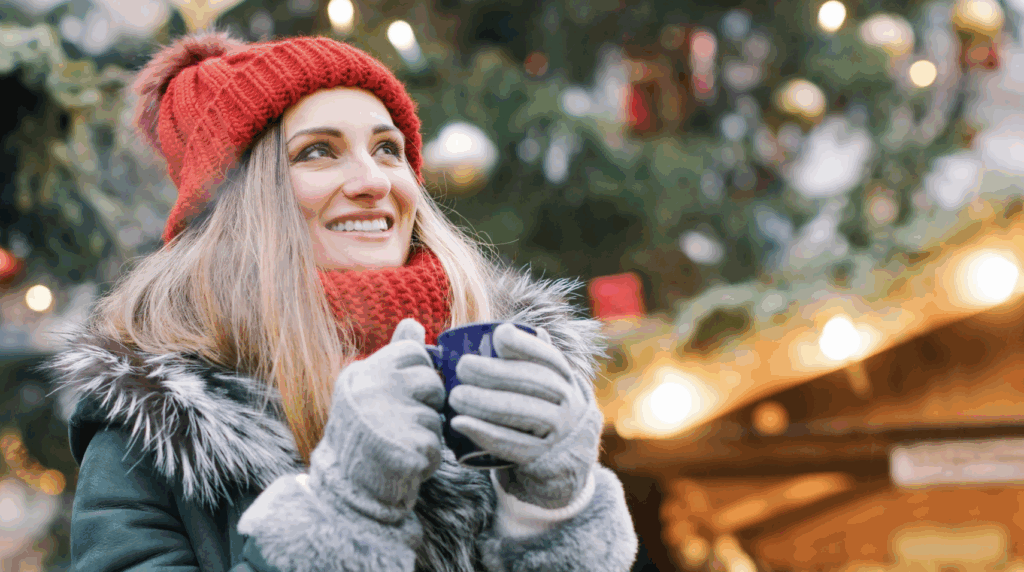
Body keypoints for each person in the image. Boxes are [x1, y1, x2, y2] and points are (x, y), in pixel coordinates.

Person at [44, 30, 639, 572]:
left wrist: (557, 514)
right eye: (317, 152)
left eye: (388, 148)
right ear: (240, 206)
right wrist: (345, 510)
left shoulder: (501, 365)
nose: (375, 181)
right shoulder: (154, 430)